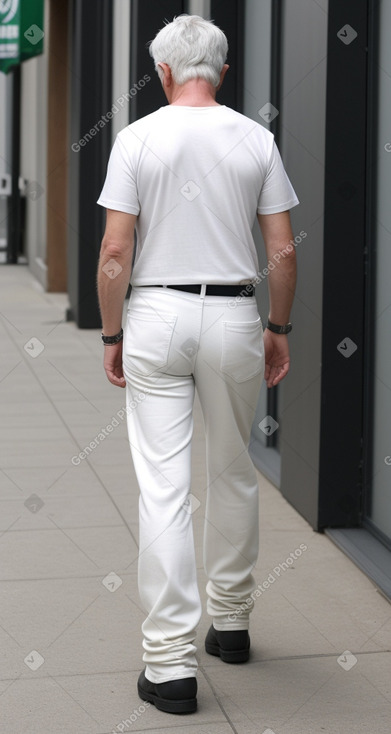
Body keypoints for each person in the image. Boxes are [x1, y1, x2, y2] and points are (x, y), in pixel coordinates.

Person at [97, 14, 298, 715]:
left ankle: (169, 665)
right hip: (235, 316)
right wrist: (276, 326)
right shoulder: (255, 138)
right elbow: (282, 251)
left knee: (164, 488)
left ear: (161, 72)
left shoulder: (136, 138)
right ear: (222, 70)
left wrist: (110, 333)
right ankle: (233, 623)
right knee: (233, 470)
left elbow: (115, 253)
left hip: (154, 314)